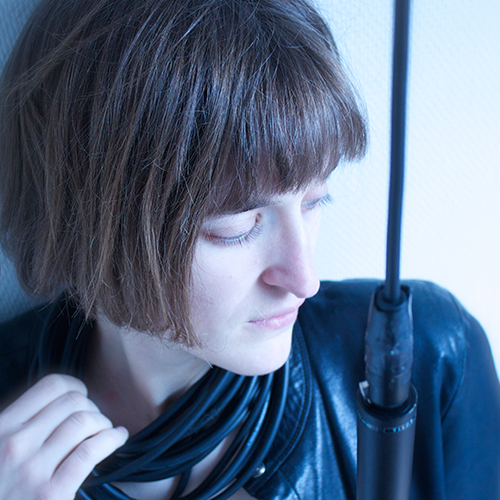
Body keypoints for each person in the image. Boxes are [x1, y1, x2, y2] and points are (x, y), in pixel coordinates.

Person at [0, 0, 499, 499]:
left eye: (315, 200)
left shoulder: (433, 355)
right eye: (237, 227)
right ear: (92, 220)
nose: (304, 279)